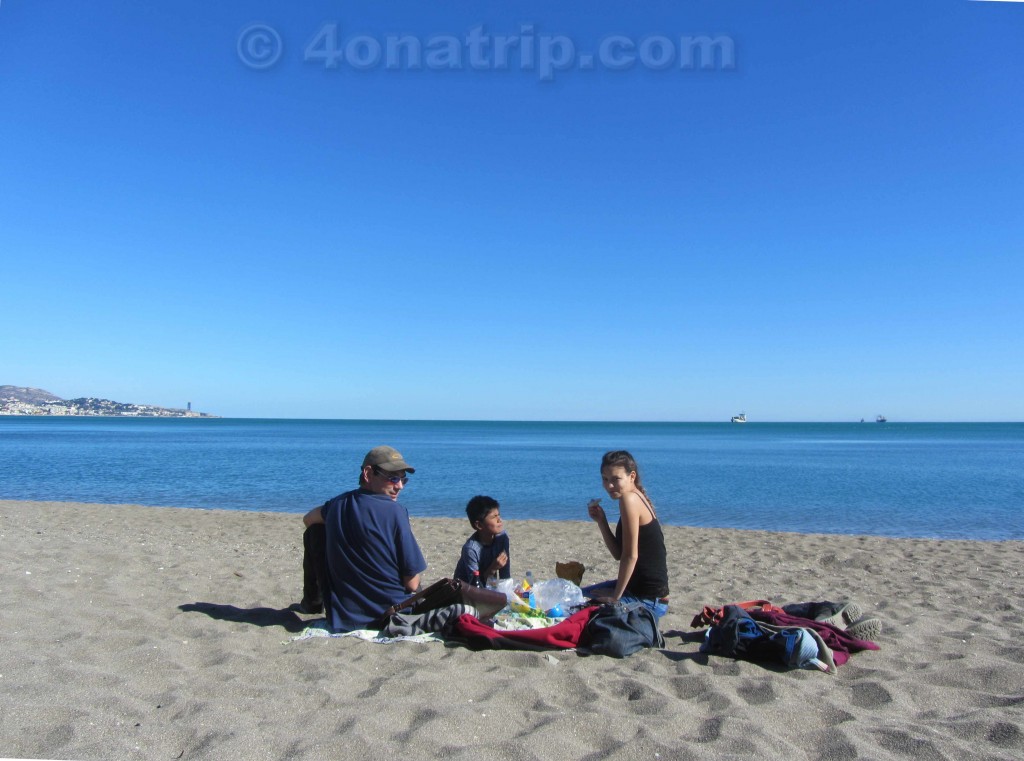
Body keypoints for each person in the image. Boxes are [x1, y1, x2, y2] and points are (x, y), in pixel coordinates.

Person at [300, 445, 427, 632]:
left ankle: (312, 601)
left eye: (403, 480)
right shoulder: (396, 512)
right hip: (389, 614)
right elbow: (412, 583)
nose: (399, 486)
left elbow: (308, 519)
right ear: (368, 474)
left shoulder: (337, 505)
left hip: (343, 618)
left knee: (314, 533)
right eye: (393, 478)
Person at [585, 450, 670, 618]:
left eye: (616, 479)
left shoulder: (629, 499)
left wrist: (615, 597)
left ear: (632, 476)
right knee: (576, 595)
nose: (609, 485)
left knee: (575, 607)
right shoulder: (634, 497)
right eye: (605, 479)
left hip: (648, 600)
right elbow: (619, 554)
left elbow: (630, 557)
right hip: (637, 590)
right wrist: (602, 521)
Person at [453, 495, 511, 586]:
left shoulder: (502, 538)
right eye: (494, 517)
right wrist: (493, 568)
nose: (499, 520)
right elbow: (474, 586)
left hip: (489, 586)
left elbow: (505, 576)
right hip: (465, 590)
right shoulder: (471, 549)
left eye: (499, 515)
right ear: (479, 525)